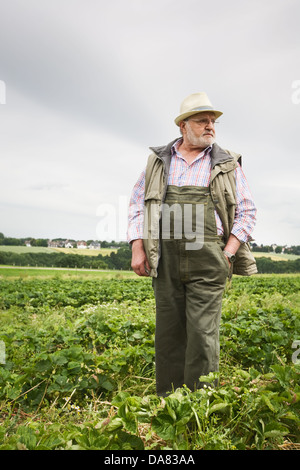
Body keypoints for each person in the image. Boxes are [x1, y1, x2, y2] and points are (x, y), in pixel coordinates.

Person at [127, 92, 257, 396]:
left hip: (209, 258)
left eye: (213, 121)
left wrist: (228, 252)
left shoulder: (226, 163)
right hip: (166, 258)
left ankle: (200, 403)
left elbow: (248, 211)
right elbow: (136, 205)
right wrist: (137, 247)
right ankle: (168, 404)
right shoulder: (158, 162)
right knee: (169, 333)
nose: (210, 125)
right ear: (184, 125)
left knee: (202, 334)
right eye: (203, 120)